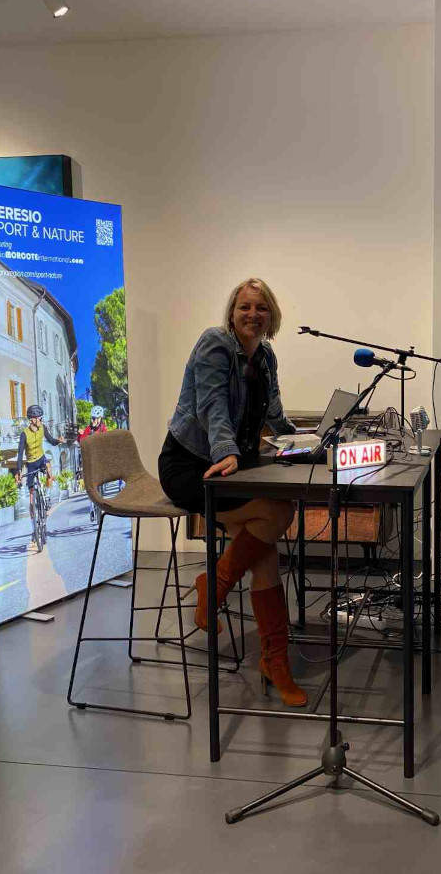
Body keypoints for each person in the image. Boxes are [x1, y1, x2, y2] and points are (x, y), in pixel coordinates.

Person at [159, 277, 304, 706]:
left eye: (261, 307)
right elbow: (212, 406)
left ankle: (272, 656)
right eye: (245, 307)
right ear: (232, 312)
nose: (252, 314)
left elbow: (274, 413)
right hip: (192, 464)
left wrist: (305, 440)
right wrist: (226, 452)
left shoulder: (266, 356)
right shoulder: (215, 344)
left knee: (265, 550)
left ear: (271, 315)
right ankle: (220, 589)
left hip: (232, 466)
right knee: (277, 513)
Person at [16, 405, 61, 542]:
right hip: (31, 464)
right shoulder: (24, 434)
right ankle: (33, 529)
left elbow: (51, 440)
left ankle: (46, 495)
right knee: (31, 497)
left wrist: (58, 441)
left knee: (48, 468)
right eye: (39, 418)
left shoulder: (43, 428)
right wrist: (18, 471)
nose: (41, 420)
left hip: (41, 459)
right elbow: (20, 454)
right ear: (32, 419)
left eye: (41, 418)